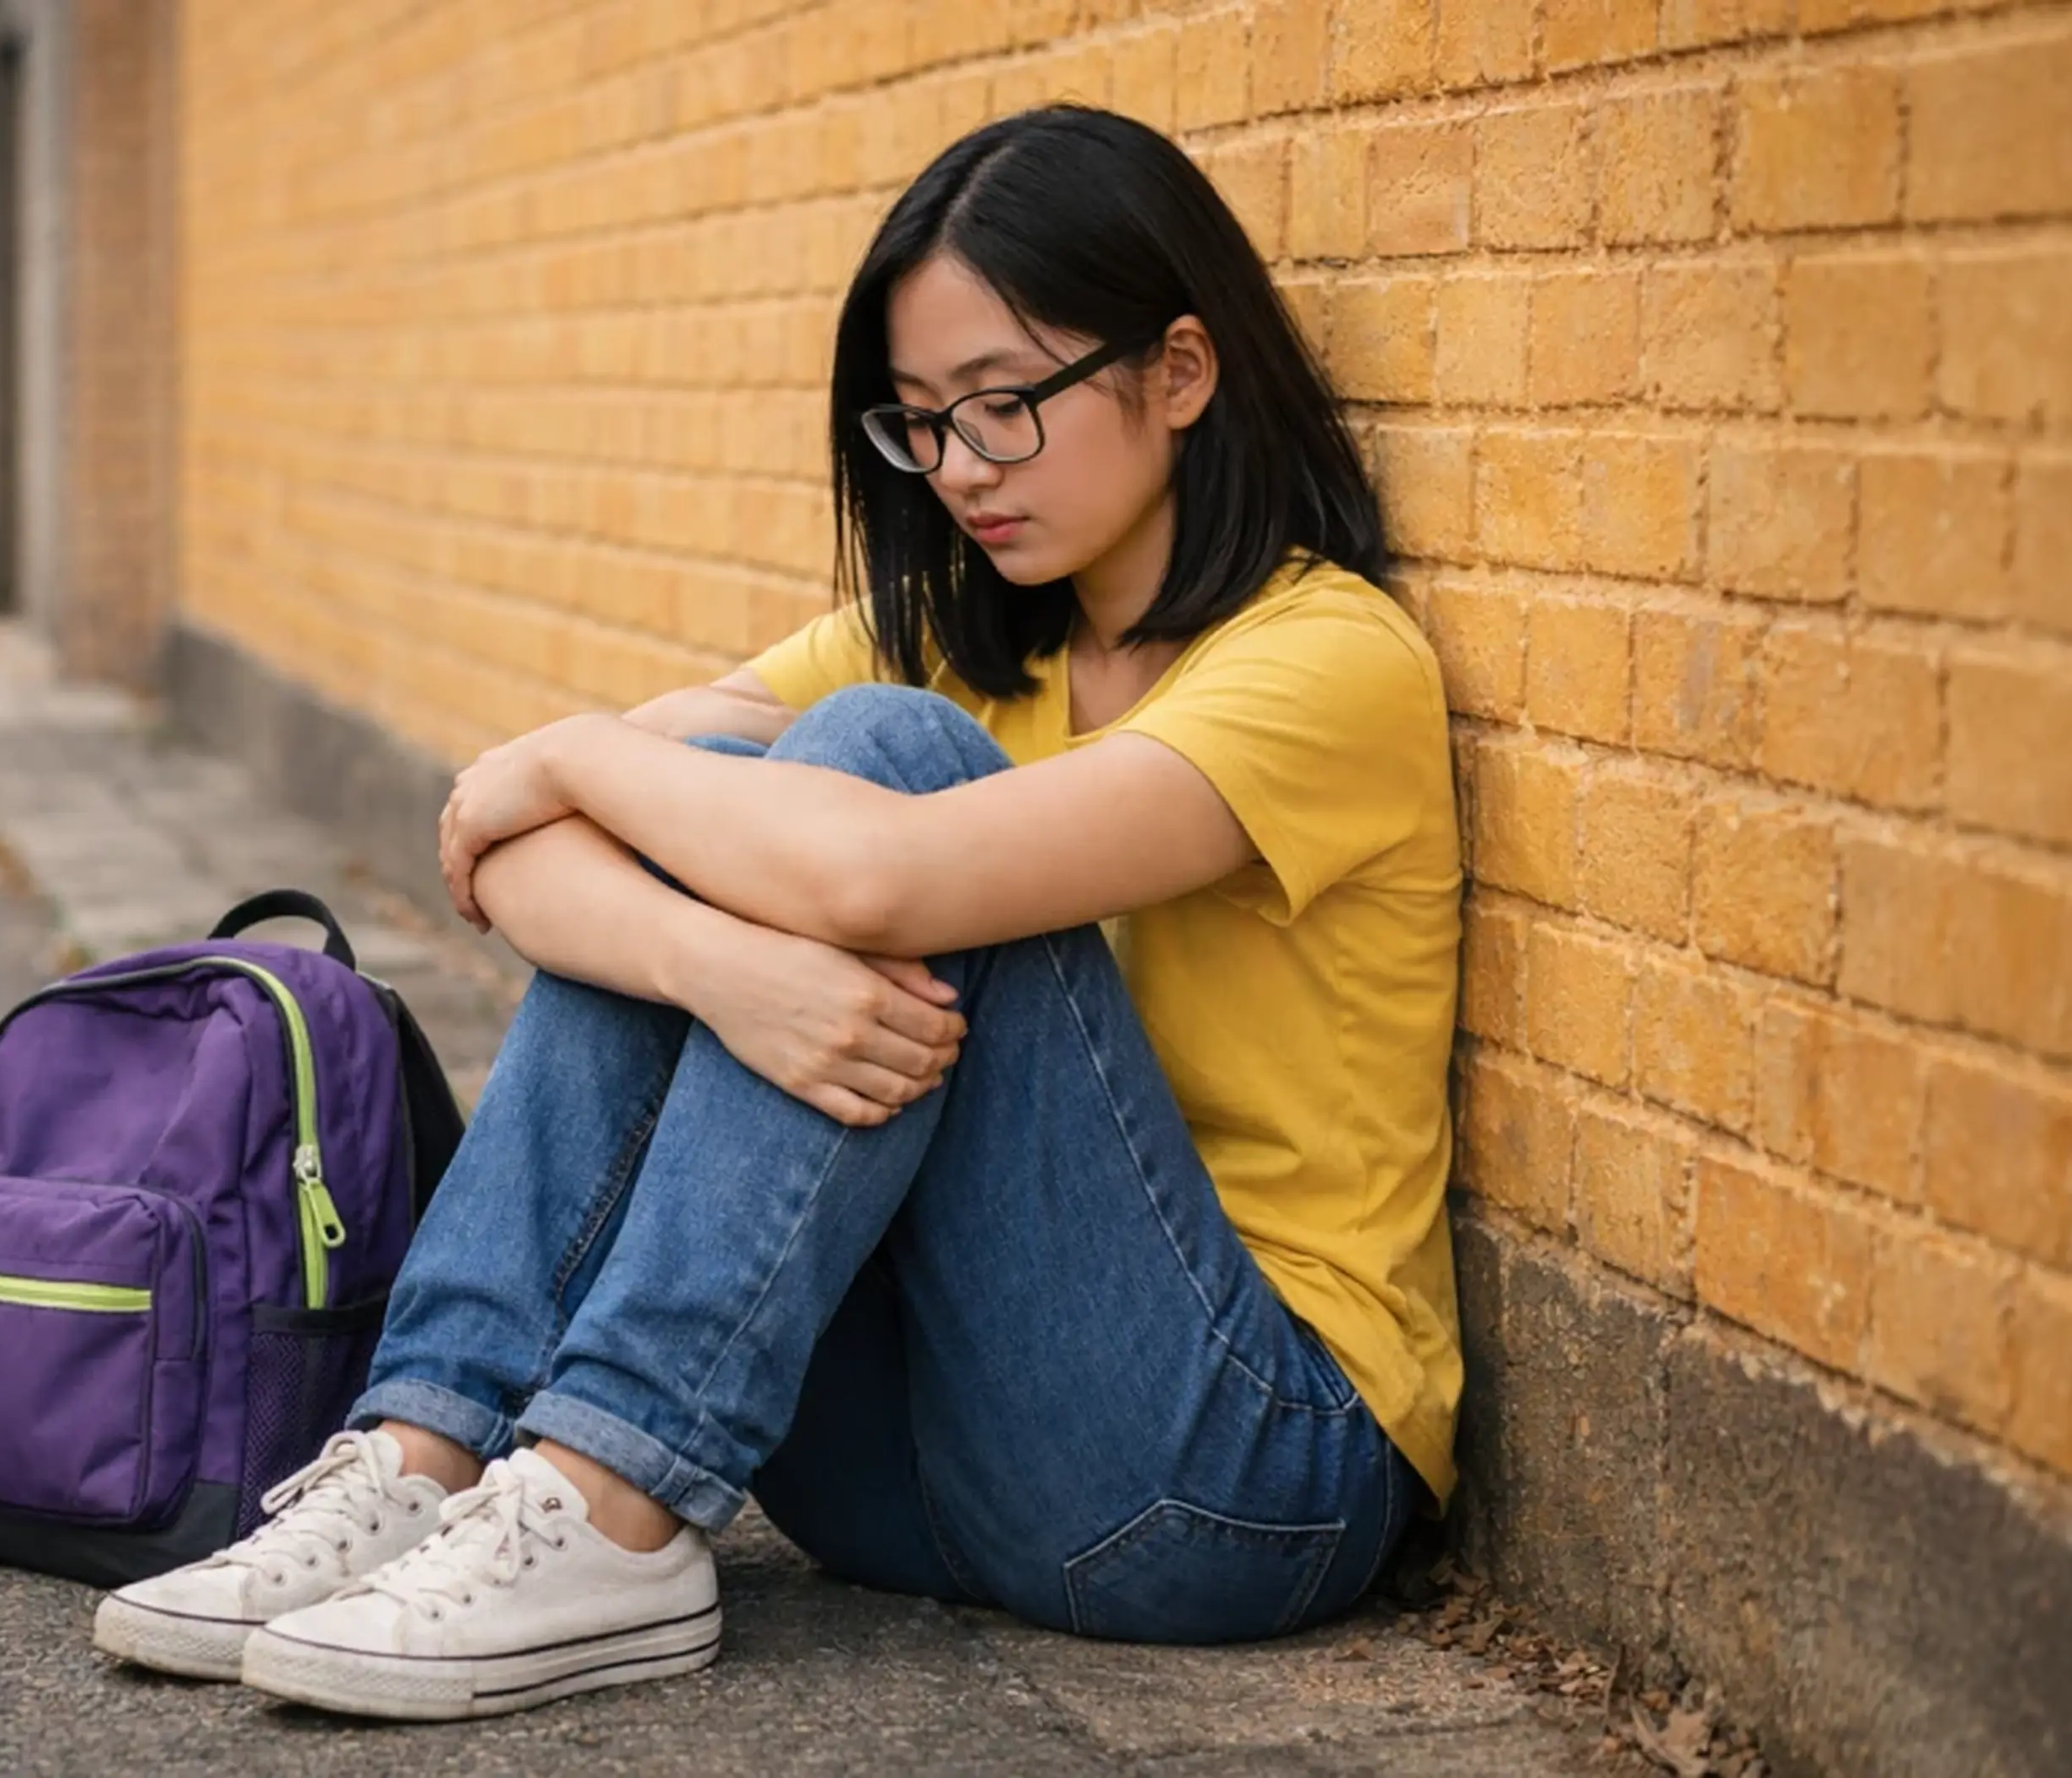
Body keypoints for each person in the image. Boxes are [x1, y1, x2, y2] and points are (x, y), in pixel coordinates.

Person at [90, 104, 1465, 1722]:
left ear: (1179, 371)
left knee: (870, 768)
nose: (958, 472)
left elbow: (851, 873)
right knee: (757, 825)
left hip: (1232, 1472)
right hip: (902, 1471)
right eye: (919, 425)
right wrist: (720, 969)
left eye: (1004, 407)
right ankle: (422, 1448)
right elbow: (501, 851)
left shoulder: (1328, 664)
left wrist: (589, 753)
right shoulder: (961, 629)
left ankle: (609, 1494)